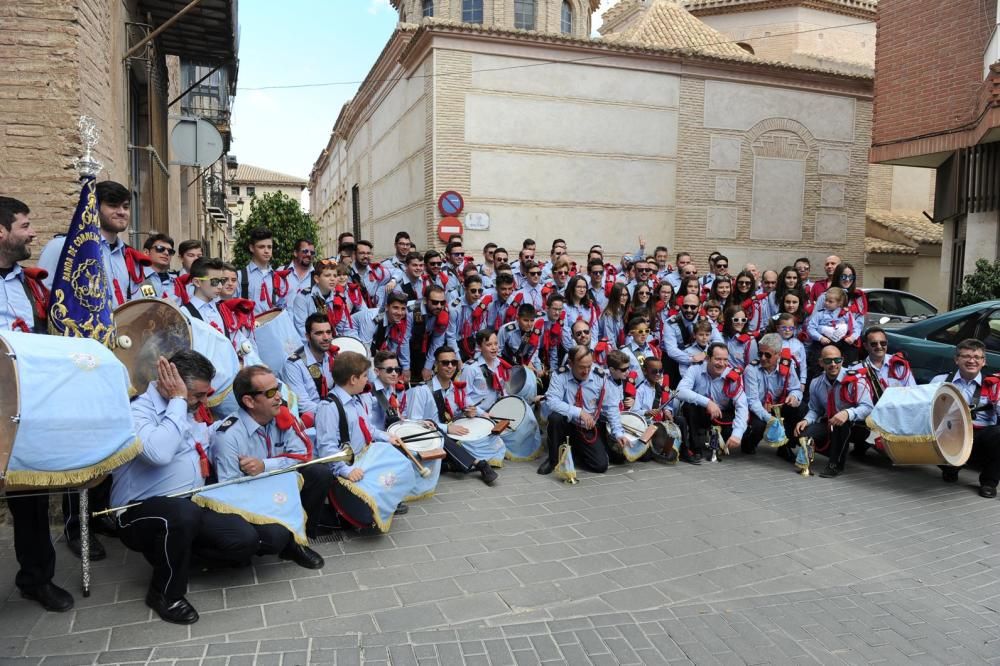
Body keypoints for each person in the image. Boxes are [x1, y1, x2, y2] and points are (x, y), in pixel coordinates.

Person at [115, 352, 301, 625]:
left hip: (192, 503)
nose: (204, 402)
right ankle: (165, 592)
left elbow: (208, 436)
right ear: (173, 383)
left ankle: (182, 558)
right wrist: (178, 401)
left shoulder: (187, 409)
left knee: (258, 538)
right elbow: (159, 452)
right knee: (181, 514)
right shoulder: (139, 410)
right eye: (198, 395)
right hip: (140, 512)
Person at [0, 196, 75, 612]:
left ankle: (36, 578)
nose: (32, 233)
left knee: (28, 495)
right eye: (25, 226)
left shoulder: (32, 284)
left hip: (26, 404)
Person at [211, 365, 332, 555]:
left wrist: (264, 466)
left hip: (280, 483)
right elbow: (229, 489)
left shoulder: (282, 417)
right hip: (252, 495)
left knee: (320, 473)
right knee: (276, 538)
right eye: (271, 393)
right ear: (249, 401)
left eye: (279, 389)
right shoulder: (228, 436)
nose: (279, 397)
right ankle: (280, 541)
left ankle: (301, 539)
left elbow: (302, 455)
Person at [38, 181, 147, 303]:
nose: (122, 212)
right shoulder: (63, 246)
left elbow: (136, 304)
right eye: (113, 205)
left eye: (125, 207)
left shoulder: (130, 257)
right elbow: (42, 296)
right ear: (94, 208)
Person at [407, 347, 500, 485]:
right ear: (436, 365)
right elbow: (414, 422)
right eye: (445, 363)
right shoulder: (422, 390)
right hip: (427, 435)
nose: (450, 366)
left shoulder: (457, 389)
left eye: (453, 362)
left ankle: (451, 465)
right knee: (438, 433)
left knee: (485, 434)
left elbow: (470, 405)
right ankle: (478, 463)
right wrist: (446, 428)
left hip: (448, 435)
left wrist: (478, 413)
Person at [538, 345, 628, 475]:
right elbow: (552, 401)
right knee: (555, 417)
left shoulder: (600, 376)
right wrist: (579, 412)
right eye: (581, 367)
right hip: (567, 423)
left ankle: (574, 452)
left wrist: (618, 433)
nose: (586, 371)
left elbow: (611, 407)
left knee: (600, 466)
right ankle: (553, 460)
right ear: (570, 363)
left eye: (589, 366)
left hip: (587, 426)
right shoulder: (560, 375)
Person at [930, 340, 1000, 498]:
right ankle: (950, 468)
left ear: (984, 361)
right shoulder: (940, 381)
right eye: (966, 356)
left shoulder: (994, 385)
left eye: (977, 357)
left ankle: (989, 482)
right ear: (956, 359)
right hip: (950, 434)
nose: (971, 360)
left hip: (980, 437)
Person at [793, 345, 874, 478]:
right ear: (820, 362)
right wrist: (806, 420)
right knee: (803, 433)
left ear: (842, 360)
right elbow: (815, 409)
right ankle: (809, 461)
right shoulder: (816, 382)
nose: (833, 364)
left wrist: (847, 413)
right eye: (828, 361)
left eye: (837, 360)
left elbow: (867, 407)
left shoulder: (856, 379)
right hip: (830, 422)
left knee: (841, 424)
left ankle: (835, 464)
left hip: (856, 426)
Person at [849, 326, 916, 459]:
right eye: (874, 344)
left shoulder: (900, 365)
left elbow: (913, 393)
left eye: (883, 343)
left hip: (899, 415)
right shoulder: (856, 369)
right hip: (871, 418)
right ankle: (862, 445)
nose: (879, 346)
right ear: (866, 346)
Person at [676, 342, 749, 462]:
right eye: (718, 359)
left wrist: (737, 434)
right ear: (708, 358)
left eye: (725, 359)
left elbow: (742, 406)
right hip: (701, 412)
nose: (722, 364)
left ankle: (719, 444)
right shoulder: (695, 370)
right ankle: (696, 449)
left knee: (736, 433)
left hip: (722, 415)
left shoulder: (732, 377)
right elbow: (680, 391)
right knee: (689, 407)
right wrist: (708, 402)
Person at [742, 334, 804, 460]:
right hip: (759, 409)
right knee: (759, 426)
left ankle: (785, 447)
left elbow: (796, 389)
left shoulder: (787, 366)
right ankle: (749, 442)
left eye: (768, 355)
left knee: (798, 409)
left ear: (778, 354)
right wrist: (769, 419)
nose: (763, 358)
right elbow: (752, 401)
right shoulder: (751, 369)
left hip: (778, 406)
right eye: (760, 354)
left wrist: (793, 396)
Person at [281, 313, 335, 424]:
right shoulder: (294, 364)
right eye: (319, 333)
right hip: (311, 421)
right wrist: (334, 412)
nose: (326, 338)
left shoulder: (331, 356)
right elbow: (302, 404)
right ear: (307, 336)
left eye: (328, 332)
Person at [633, 355, 686, 463]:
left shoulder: (661, 388)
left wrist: (667, 411)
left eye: (660, 371)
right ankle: (656, 448)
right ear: (645, 371)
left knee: (681, 420)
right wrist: (647, 412)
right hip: (648, 424)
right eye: (654, 371)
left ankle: (684, 450)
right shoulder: (640, 389)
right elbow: (634, 411)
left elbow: (666, 405)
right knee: (645, 458)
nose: (658, 374)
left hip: (661, 422)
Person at [352, 291, 412, 367]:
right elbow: (365, 351)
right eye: (395, 308)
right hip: (350, 333)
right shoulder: (373, 319)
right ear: (387, 307)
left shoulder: (392, 317)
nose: (400, 313)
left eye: (403, 309)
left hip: (370, 339)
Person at [237, 228, 288, 314]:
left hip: (272, 326)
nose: (266, 251)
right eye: (261, 247)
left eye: (269, 247)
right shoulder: (240, 276)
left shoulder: (277, 278)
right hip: (248, 326)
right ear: (252, 248)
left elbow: (283, 307)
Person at [410, 284, 451, 381]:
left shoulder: (443, 313)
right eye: (435, 302)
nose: (439, 306)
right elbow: (404, 340)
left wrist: (427, 367)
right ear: (425, 300)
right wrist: (405, 367)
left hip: (425, 344)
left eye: (442, 303)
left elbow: (437, 342)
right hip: (409, 344)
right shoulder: (410, 311)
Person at [807, 286, 859, 364]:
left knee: (851, 351)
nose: (826, 303)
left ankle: (847, 369)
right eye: (826, 300)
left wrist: (852, 337)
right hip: (824, 341)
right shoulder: (820, 314)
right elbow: (810, 327)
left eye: (830, 301)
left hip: (841, 341)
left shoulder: (846, 314)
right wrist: (820, 338)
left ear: (839, 303)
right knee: (816, 356)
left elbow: (856, 327)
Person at [366, 350, 407, 430]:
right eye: (389, 370)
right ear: (377, 371)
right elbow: (367, 425)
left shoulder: (396, 390)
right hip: (376, 438)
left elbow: (402, 417)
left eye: (397, 369)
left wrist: (420, 423)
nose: (394, 374)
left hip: (392, 433)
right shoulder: (369, 392)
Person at [499, 303, 543, 371]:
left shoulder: (535, 332)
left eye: (532, 320)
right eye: (525, 320)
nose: (529, 324)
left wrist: (535, 365)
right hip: (506, 362)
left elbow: (534, 351)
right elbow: (498, 351)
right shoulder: (506, 329)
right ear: (517, 318)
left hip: (525, 363)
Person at [351, 240, 393, 309]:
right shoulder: (348, 273)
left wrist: (393, 281)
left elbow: (397, 272)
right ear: (354, 254)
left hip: (374, 310)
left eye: (368, 253)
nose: (366, 256)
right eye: (362, 253)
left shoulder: (376, 270)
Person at [139, 233, 178, 300]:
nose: (166, 253)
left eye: (170, 251)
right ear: (146, 252)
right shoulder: (137, 277)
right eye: (160, 248)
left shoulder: (177, 281)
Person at [722, 305, 757, 370]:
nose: (740, 322)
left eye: (743, 320)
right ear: (728, 320)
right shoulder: (720, 337)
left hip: (738, 378)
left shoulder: (750, 341)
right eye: (736, 319)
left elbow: (752, 369)